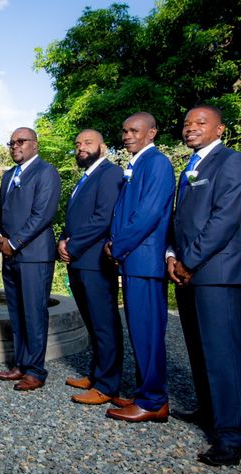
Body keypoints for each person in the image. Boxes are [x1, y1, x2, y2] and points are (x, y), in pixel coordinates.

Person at [167, 105, 241, 466]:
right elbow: (181, 219)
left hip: (216, 273)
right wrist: (171, 255)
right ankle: (209, 410)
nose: (191, 128)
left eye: (200, 122)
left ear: (220, 129)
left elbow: (224, 218)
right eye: (187, 123)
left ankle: (231, 436)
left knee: (223, 354)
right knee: (196, 348)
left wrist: (190, 260)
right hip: (186, 271)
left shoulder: (231, 162)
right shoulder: (191, 166)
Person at [104, 112, 175, 423]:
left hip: (145, 261)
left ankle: (154, 400)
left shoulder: (156, 163)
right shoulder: (135, 165)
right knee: (140, 331)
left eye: (134, 130)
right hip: (133, 259)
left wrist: (117, 246)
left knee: (148, 332)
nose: (127, 135)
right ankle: (146, 391)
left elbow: (147, 214)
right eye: (124, 130)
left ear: (152, 134)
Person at [0, 128, 61, 391]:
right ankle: (20, 365)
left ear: (35, 145)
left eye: (21, 141)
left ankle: (35, 370)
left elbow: (43, 214)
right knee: (17, 312)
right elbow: (0, 210)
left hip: (33, 255)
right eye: (11, 142)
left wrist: (14, 242)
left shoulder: (46, 172)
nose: (15, 146)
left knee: (34, 312)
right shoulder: (9, 175)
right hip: (9, 253)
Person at [58, 129, 123, 404]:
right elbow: (75, 217)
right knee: (92, 323)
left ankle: (108, 385)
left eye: (88, 143)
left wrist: (71, 246)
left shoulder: (110, 173)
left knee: (104, 324)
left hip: (95, 262)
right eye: (78, 144)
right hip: (79, 262)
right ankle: (97, 375)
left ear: (103, 147)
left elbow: (103, 218)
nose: (81, 148)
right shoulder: (85, 178)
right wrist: (62, 239)